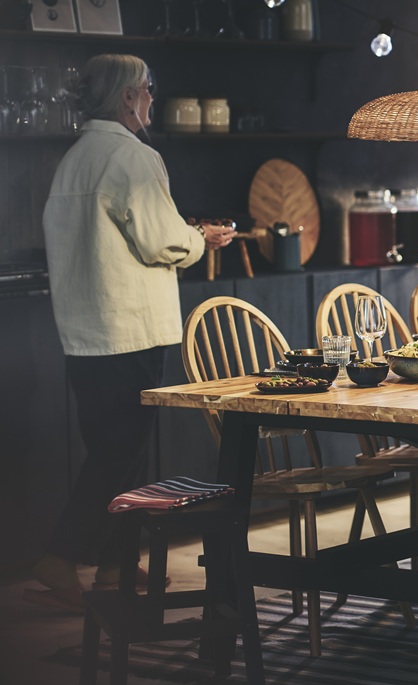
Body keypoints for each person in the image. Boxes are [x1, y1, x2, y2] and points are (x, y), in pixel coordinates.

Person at [26, 54, 234, 612]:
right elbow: (159, 242)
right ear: (125, 98)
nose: (150, 99)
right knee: (119, 455)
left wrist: (182, 234)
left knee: (117, 450)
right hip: (132, 332)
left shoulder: (73, 161)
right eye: (147, 89)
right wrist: (200, 239)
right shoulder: (133, 157)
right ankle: (59, 556)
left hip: (84, 335)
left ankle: (117, 565)